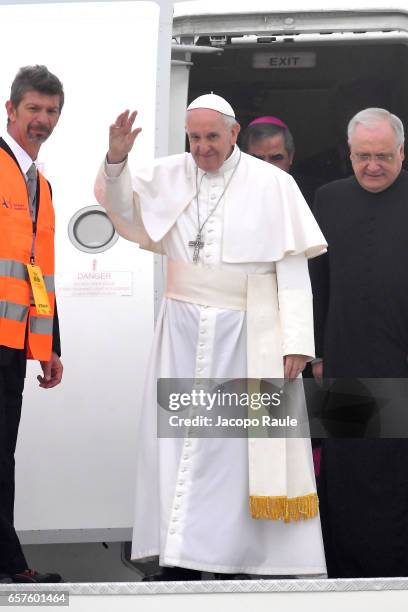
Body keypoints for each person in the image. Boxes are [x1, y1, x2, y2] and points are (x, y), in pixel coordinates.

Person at [95, 94, 328, 580]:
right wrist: (117, 158)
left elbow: (292, 267)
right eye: (194, 138)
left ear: (234, 133)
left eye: (211, 138)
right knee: (176, 445)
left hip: (248, 336)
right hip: (179, 333)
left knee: (235, 455)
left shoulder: (274, 184)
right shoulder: (170, 174)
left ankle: (231, 562)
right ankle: (178, 557)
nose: (202, 149)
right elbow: (120, 209)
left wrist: (296, 343)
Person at [309, 107, 408, 578]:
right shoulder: (327, 201)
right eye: (364, 156)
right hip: (344, 362)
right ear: (348, 154)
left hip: (402, 361)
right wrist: (317, 353)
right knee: (347, 472)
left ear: (402, 153)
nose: (373, 165)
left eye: (384, 156)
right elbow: (316, 283)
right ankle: (345, 577)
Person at [0, 65, 64, 583]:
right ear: (11, 110)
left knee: (3, 457)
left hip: (14, 345)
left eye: (50, 112)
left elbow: (38, 272)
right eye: (33, 110)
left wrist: (50, 346)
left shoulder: (40, 183)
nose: (41, 120)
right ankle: (12, 565)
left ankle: (8, 563)